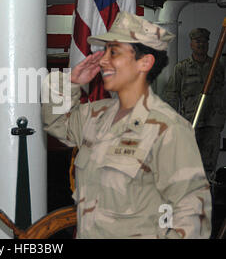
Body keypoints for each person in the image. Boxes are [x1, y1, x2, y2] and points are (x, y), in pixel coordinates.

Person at [41, 12, 211, 238]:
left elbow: (192, 215)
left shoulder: (168, 128)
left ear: (145, 62)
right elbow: (56, 123)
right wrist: (70, 83)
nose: (102, 60)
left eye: (114, 52)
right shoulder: (97, 115)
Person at [163, 28, 226, 182]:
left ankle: (207, 196)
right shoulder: (182, 68)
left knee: (209, 165)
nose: (201, 44)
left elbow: (222, 93)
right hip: (190, 123)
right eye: (197, 41)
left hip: (211, 124)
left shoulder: (217, 67)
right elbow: (171, 95)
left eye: (204, 41)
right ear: (191, 44)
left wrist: (220, 117)